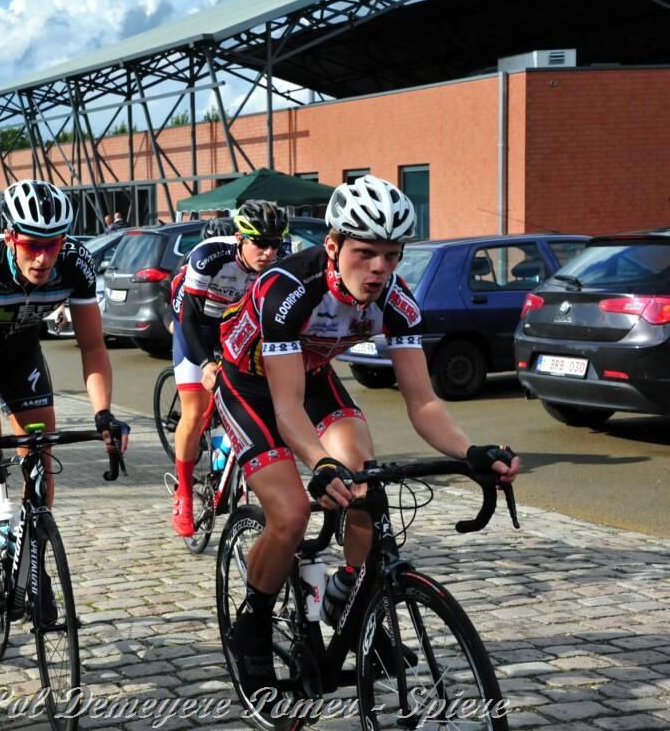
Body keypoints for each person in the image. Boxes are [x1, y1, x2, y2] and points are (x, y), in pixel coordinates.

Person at [215, 175, 521, 699]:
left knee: (366, 483)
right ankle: (254, 622)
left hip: (311, 377)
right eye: (366, 253)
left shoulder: (397, 300)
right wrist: (320, 464)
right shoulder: (286, 289)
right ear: (333, 246)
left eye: (392, 255)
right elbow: (285, 408)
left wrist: (471, 451)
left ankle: (348, 595)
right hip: (251, 386)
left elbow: (423, 402)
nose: (380, 268)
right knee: (290, 513)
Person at [0, 179, 130, 601]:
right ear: (10, 237)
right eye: (32, 245)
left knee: (40, 446)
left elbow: (93, 347)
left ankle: (34, 562)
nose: (43, 257)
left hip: (22, 348)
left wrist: (103, 413)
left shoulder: (76, 263)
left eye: (53, 244)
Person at [168, 202, 289, 537]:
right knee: (194, 412)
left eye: (275, 244)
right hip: (195, 322)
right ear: (240, 238)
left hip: (232, 324)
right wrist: (206, 363)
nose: (269, 252)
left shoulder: (279, 263)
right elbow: (189, 318)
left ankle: (227, 450)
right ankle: (184, 494)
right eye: (259, 243)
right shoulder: (210, 256)